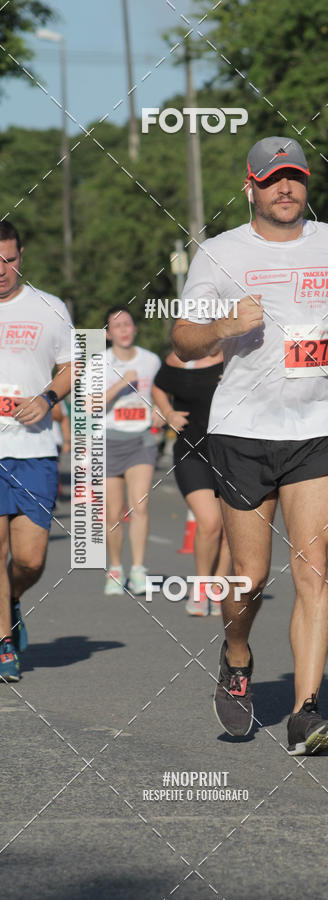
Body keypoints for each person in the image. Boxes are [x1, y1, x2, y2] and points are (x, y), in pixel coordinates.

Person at [172, 135, 328, 754]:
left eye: (295, 177)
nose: (285, 188)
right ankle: (237, 654)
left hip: (316, 425)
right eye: (272, 179)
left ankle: (307, 712)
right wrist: (224, 326)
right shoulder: (220, 252)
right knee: (250, 577)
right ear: (250, 187)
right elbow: (183, 337)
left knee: (315, 568)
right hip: (242, 428)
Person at [0, 221, 73, 682]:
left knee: (30, 559)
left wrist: (47, 398)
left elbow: (73, 365)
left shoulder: (49, 307)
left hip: (34, 448)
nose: (0, 269)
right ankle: (3, 644)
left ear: (21, 256)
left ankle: (10, 599)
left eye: (7, 259)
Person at [153, 349, 230, 616]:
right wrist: (168, 412)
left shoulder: (236, 354)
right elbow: (159, 386)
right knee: (210, 521)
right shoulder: (179, 358)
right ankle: (201, 587)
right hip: (191, 451)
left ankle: (218, 588)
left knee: (230, 527)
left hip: (232, 453)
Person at [101, 307, 161, 596]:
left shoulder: (151, 360)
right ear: (108, 334)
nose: (124, 329)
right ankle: (115, 569)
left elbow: (160, 394)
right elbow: (88, 404)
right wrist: (121, 384)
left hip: (141, 439)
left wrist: (160, 410)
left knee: (140, 506)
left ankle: (138, 569)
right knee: (113, 513)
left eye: (128, 323)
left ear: (135, 328)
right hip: (109, 440)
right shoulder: (100, 363)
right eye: (117, 325)